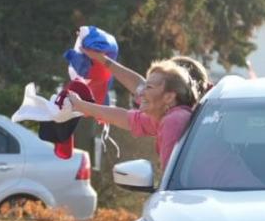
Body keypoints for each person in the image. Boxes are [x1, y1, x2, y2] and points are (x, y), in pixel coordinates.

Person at [67, 57, 198, 169]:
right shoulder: (166, 115)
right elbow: (123, 117)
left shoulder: (173, 121)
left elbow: (171, 177)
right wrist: (80, 105)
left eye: (149, 87)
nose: (140, 93)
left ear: (169, 97)